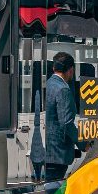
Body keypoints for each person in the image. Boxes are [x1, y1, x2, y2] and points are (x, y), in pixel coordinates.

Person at [31, 52, 78, 182]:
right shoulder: (63, 89)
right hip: (57, 153)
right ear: (71, 70)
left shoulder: (49, 84)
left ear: (53, 68)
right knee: (53, 190)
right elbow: (66, 122)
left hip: (45, 149)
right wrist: (82, 143)